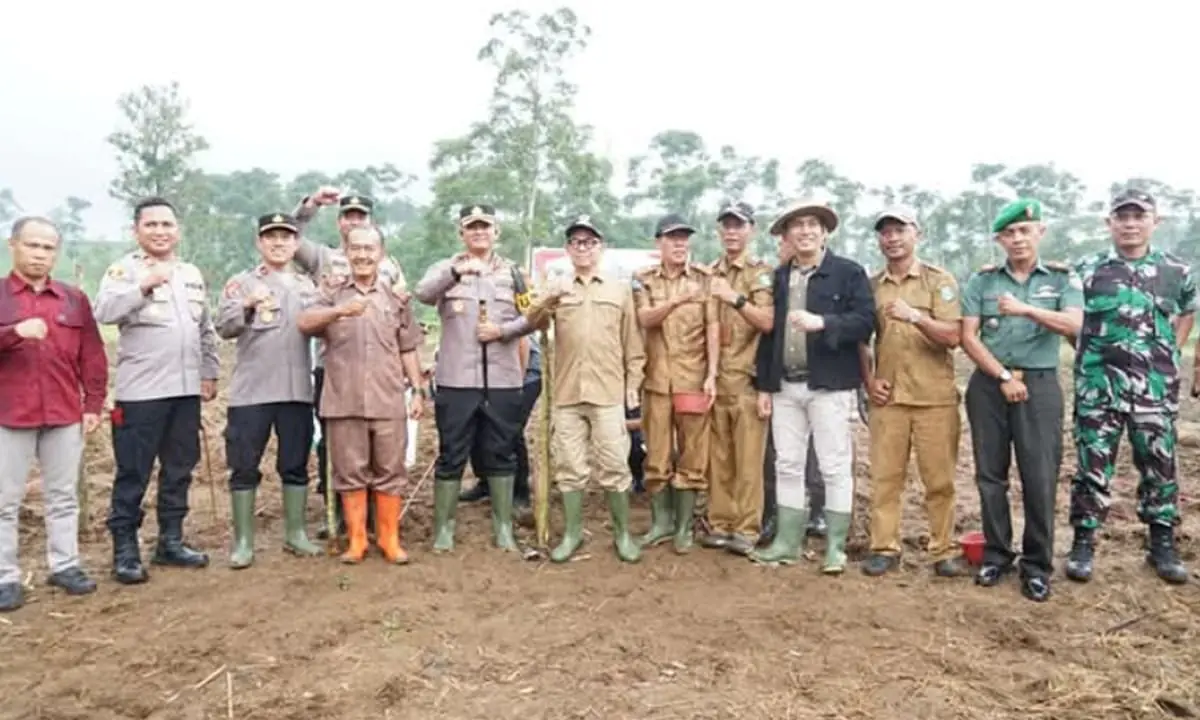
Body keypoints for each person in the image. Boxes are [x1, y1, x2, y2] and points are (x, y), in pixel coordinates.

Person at [1068, 188, 1195, 585]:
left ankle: (1162, 545)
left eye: (1138, 216)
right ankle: (1084, 544)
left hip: (1154, 391)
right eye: (1122, 217)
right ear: (1109, 223)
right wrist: (1088, 356)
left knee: (1159, 466)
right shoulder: (1088, 270)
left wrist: (1169, 353)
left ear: (1154, 222)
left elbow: (1189, 310)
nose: (1130, 224)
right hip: (1098, 390)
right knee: (1092, 467)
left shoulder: (1177, 271)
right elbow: (1072, 321)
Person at [960, 198, 1082, 601]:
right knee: (990, 476)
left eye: (1025, 231)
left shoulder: (1064, 279)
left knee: (1039, 477)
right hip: (991, 384)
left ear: (1040, 232)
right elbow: (968, 336)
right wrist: (1004, 375)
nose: (1017, 239)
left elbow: (1073, 325)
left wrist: (1027, 310)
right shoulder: (983, 281)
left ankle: (1037, 565)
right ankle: (997, 555)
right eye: (1009, 233)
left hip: (1041, 386)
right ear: (999, 239)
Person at [95, 197, 220, 585]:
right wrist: (143, 287)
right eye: (151, 225)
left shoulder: (190, 272)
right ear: (137, 231)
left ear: (177, 230)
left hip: (184, 392)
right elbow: (104, 311)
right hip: (141, 393)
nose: (160, 232)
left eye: (167, 224)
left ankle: (170, 540)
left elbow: (205, 328)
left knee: (180, 468)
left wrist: (210, 371)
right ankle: (126, 549)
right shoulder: (124, 271)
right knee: (133, 471)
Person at [750, 198, 873, 573]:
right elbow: (769, 336)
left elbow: (866, 321)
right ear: (786, 235)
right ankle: (787, 541)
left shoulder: (848, 273)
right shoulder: (781, 276)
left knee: (834, 464)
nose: (805, 231)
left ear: (824, 231)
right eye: (796, 225)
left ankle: (835, 546)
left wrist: (825, 323)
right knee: (787, 463)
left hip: (829, 385)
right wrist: (763, 385)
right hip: (786, 385)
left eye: (812, 224)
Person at [297, 226, 426, 565]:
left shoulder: (395, 299)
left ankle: (389, 538)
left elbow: (408, 347)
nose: (363, 255)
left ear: (380, 254)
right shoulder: (332, 294)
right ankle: (356, 541)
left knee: (390, 469)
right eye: (356, 249)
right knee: (349, 470)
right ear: (347, 252)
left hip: (387, 399)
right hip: (344, 399)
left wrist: (417, 390)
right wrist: (339, 311)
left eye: (370, 249)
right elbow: (305, 322)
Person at [413, 203, 537, 553]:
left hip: (502, 380)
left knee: (501, 453)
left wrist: (502, 330)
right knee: (452, 453)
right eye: (472, 227)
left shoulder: (515, 273)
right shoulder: (446, 268)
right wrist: (455, 271)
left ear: (497, 232)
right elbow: (422, 294)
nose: (479, 232)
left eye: (486, 226)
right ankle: (444, 529)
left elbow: (534, 317)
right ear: (462, 233)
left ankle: (503, 528)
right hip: (457, 380)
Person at [523, 214, 646, 563]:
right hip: (567, 393)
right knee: (570, 466)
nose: (583, 248)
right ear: (567, 249)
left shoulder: (618, 289)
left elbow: (632, 342)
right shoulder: (558, 287)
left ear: (601, 247)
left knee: (614, 464)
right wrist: (548, 298)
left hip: (608, 391)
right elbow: (531, 322)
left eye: (590, 242)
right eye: (577, 242)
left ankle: (622, 533)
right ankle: (573, 533)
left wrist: (633, 384)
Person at [0, 217, 108, 611]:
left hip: (63, 412)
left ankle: (65, 565)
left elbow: (92, 356)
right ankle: (5, 576)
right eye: (32, 245)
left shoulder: (72, 299)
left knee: (62, 496)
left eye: (48, 248)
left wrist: (93, 403)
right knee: (4, 499)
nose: (40, 254)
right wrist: (13, 333)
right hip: (9, 414)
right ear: (13, 245)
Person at [859, 207, 966, 579]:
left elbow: (953, 337)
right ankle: (884, 547)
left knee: (939, 480)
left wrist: (916, 316)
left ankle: (943, 549)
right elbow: (863, 340)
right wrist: (869, 380)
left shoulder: (939, 281)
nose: (892, 238)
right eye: (885, 232)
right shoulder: (872, 286)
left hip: (934, 398)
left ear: (916, 233)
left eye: (899, 230)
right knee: (886, 478)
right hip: (889, 399)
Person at [291, 189, 405, 537]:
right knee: (336, 445)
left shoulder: (389, 264)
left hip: (379, 370)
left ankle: (377, 519)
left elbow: (402, 313)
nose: (354, 221)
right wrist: (308, 206)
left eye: (361, 216)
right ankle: (341, 515)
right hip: (335, 367)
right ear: (339, 221)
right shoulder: (323, 257)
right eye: (348, 215)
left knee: (380, 446)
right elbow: (288, 238)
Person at [214, 213, 321, 569]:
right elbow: (224, 327)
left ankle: (296, 533)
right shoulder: (242, 283)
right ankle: (243, 541)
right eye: (271, 237)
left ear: (295, 243)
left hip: (296, 392)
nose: (279, 243)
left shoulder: (310, 286)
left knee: (295, 465)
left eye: (286, 237)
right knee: (244, 466)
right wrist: (246, 305)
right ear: (260, 243)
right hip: (253, 392)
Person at [631, 213, 719, 554]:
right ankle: (661, 523)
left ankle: (684, 528)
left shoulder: (704, 279)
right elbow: (644, 319)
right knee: (656, 455)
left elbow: (712, 327)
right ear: (659, 243)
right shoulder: (643, 280)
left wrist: (712, 373)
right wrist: (677, 300)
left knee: (693, 456)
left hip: (693, 380)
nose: (680, 244)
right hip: (656, 381)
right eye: (672, 238)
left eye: (684, 238)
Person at [701, 202, 775, 557]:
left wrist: (735, 299)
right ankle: (720, 523)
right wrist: (711, 374)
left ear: (751, 230)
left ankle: (747, 527)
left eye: (739, 225)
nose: (731, 231)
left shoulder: (759, 274)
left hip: (749, 378)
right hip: (721, 378)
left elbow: (767, 322)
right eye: (726, 225)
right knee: (720, 458)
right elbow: (712, 326)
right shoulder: (713, 272)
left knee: (748, 461)